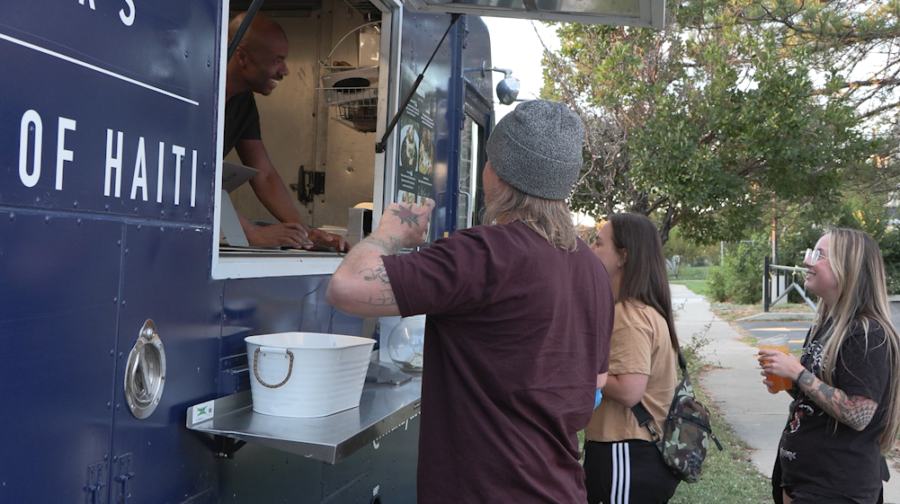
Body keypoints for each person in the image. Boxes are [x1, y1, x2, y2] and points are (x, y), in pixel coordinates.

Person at [326, 99, 615, 503]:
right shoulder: (592, 269)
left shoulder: (482, 254)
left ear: (495, 171)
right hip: (561, 489)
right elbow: (595, 382)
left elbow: (345, 286)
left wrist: (391, 232)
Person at [759, 228, 900, 504]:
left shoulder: (868, 334)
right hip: (804, 479)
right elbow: (819, 399)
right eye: (811, 253)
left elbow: (859, 414)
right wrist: (788, 380)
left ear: (847, 268)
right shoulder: (826, 323)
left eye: (819, 255)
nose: (808, 261)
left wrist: (797, 373)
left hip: (837, 487)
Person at [225, 12, 346, 250]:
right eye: (277, 60)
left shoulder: (243, 101)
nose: (285, 70)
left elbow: (264, 174)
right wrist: (252, 233)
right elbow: (189, 174)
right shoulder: (196, 92)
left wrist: (303, 233)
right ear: (242, 57)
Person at [583, 213, 681, 504]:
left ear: (622, 256)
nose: (591, 249)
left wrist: (581, 370)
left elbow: (629, 390)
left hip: (626, 452)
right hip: (629, 452)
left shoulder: (629, 315)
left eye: (598, 244)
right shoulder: (643, 310)